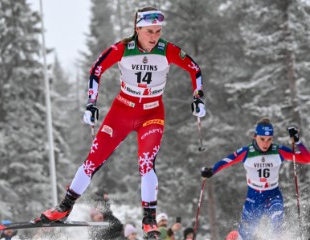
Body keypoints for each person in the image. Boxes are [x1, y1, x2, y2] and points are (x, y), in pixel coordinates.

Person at [34, 6, 206, 239]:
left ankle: (149, 219)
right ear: (137, 28)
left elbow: (194, 69)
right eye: (149, 31)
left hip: (152, 113)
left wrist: (198, 97)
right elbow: (97, 69)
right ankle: (64, 207)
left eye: (158, 31)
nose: (154, 37)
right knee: (93, 160)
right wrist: (91, 103)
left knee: (146, 164)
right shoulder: (123, 48)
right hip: (122, 111)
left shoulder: (168, 50)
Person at [201, 118, 310, 240]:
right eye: (262, 139)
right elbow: (226, 161)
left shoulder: (278, 151)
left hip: (273, 194)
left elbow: (306, 158)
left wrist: (298, 141)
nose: (265, 143)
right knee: (245, 235)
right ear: (255, 136)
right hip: (254, 197)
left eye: (269, 139)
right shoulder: (247, 152)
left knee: (276, 221)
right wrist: (211, 170)